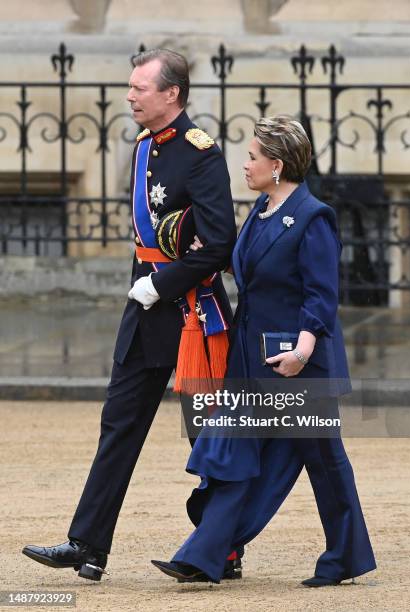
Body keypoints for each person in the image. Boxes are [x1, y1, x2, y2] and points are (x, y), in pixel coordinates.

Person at [22, 48, 239, 581]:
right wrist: (144, 288)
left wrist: (161, 284)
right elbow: (150, 238)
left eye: (140, 88)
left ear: (172, 94)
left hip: (193, 314)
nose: (129, 96)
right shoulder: (144, 147)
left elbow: (219, 244)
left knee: (207, 437)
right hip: (145, 311)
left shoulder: (201, 154)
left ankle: (223, 552)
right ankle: (88, 545)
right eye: (131, 86)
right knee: (118, 426)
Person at [151, 115, 376, 586]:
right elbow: (255, 271)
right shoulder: (261, 210)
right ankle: (206, 555)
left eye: (252, 156)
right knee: (236, 457)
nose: (245, 164)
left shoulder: (313, 216)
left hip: (298, 366)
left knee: (325, 464)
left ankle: (346, 558)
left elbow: (321, 294)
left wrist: (302, 349)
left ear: (276, 165)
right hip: (251, 360)